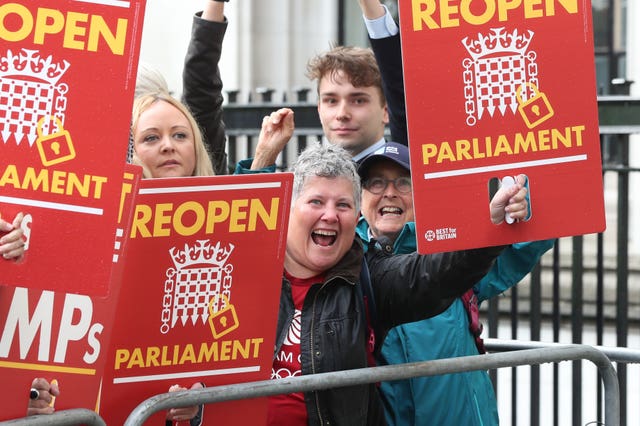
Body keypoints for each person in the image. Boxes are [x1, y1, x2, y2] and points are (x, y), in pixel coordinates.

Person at [242, 141, 529, 425]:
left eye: (342, 204)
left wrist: (489, 225)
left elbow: (434, 273)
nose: (329, 215)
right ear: (287, 210)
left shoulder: (368, 277)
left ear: (356, 218)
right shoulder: (241, 272)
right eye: (316, 202)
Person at [356, 141, 554, 425]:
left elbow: (533, 239)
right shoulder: (344, 263)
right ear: (360, 198)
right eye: (376, 183)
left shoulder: (459, 253)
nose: (389, 192)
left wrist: (521, 202)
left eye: (403, 182)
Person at [306, 45, 390, 162]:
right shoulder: (307, 176)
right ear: (319, 109)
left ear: (386, 110)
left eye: (358, 101)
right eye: (331, 101)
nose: (342, 114)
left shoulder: (409, 175)